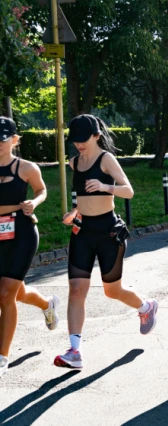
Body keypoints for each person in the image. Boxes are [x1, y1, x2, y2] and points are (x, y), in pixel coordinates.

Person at [56, 115, 157, 370]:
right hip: (82, 231)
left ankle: (146, 307)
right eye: (75, 140)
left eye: (83, 139)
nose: (79, 145)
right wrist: (75, 211)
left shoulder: (106, 159)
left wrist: (104, 185)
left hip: (108, 231)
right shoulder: (74, 162)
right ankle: (75, 351)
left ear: (96, 136)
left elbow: (128, 190)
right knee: (77, 290)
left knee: (112, 290)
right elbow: (82, 195)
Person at [0, 117, 60, 378]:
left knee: (5, 294)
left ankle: (2, 357)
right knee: (16, 292)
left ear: (14, 140)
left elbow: (42, 190)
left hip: (22, 232)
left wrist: (34, 203)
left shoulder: (26, 168)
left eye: (2, 140)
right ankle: (47, 304)